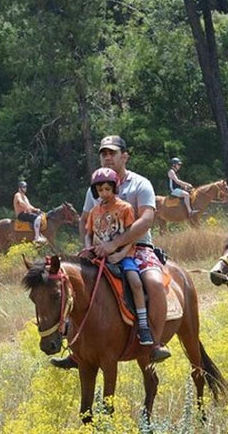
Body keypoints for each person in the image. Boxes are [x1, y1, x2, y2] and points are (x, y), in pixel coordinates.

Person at [53, 135, 170, 369]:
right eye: (103, 154)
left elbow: (146, 219)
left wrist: (115, 245)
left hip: (137, 247)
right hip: (99, 248)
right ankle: (76, 345)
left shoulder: (140, 184)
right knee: (73, 282)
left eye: (112, 153)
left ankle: (153, 341)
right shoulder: (96, 186)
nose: (107, 157)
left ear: (124, 156)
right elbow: (84, 219)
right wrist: (87, 248)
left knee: (153, 283)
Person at [84, 167, 154, 346]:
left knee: (135, 282)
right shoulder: (94, 212)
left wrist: (122, 253)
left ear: (115, 188)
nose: (104, 193)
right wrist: (88, 249)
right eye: (100, 190)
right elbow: (88, 233)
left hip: (123, 255)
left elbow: (132, 234)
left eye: (107, 189)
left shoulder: (125, 208)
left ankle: (144, 325)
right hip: (99, 256)